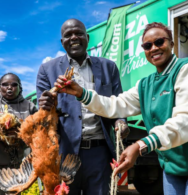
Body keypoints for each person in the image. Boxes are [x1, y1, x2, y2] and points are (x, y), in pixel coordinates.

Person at [53, 22, 188, 195]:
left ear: (171, 43)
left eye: (159, 42)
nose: (153, 48)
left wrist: (141, 145)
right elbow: (115, 105)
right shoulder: (146, 85)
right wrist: (81, 93)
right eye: (147, 46)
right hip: (173, 166)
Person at [36, 18, 129, 195]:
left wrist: (121, 121)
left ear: (87, 37)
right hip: (64, 153)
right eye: (68, 35)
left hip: (99, 153)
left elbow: (119, 105)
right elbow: (43, 115)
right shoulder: (47, 69)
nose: (74, 37)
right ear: (62, 42)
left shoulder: (108, 67)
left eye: (78, 33)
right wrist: (45, 106)